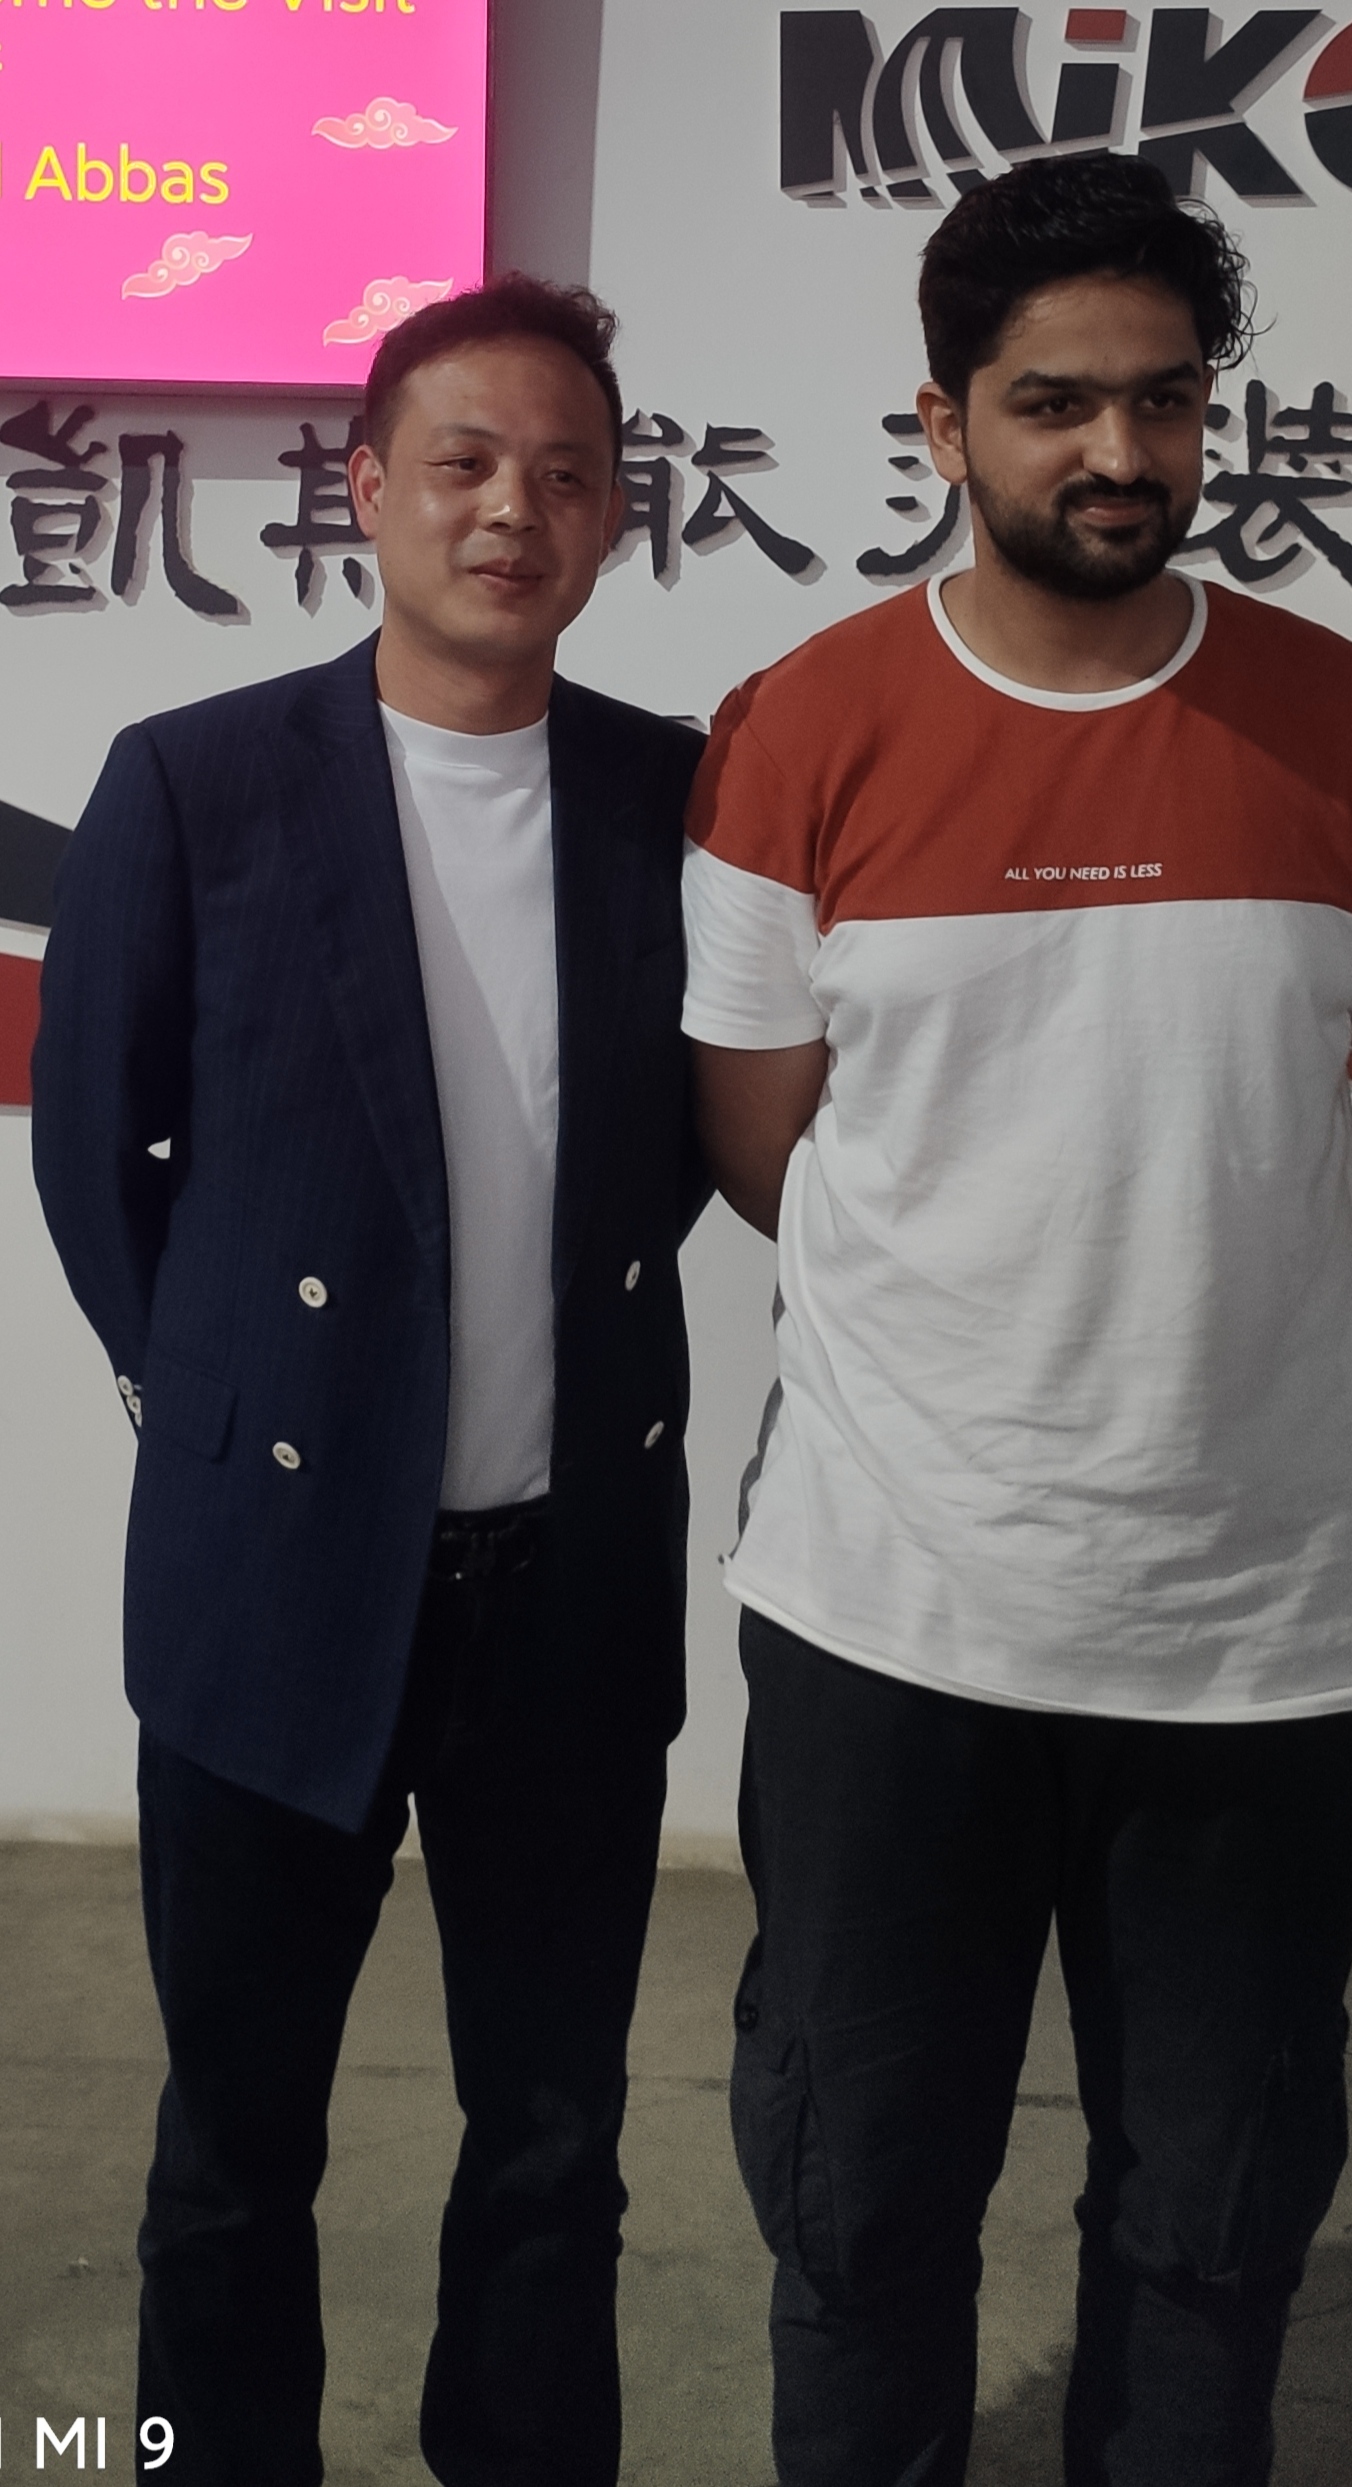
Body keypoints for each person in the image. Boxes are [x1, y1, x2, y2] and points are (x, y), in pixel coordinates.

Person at [682, 156, 1352, 2487]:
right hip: (888, 1619)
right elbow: (767, 1147)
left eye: (1165, 400)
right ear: (942, 422)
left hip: (1260, 1633)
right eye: (1055, 401)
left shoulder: (1343, 719)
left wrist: (1219, 1284)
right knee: (860, 2211)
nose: (1121, 451)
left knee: (1211, 2234)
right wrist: (1023, 1309)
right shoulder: (801, 729)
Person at [32, 275, 704, 2487]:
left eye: (567, 474)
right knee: (234, 2146)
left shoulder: (668, 796)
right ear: (367, 488)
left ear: (614, 516)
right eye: (466, 462)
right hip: (275, 1576)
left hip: (567, 1589)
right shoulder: (200, 779)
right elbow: (96, 1148)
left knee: (556, 2137)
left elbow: (685, 1147)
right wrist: (215, 1400)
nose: (515, 509)